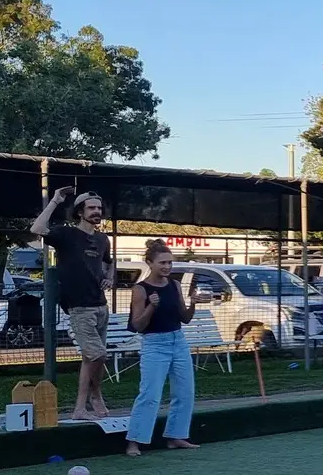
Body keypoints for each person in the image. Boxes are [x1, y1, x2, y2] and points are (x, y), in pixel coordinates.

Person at [30, 186, 113, 421]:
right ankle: (94, 396)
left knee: (91, 358)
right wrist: (55, 200)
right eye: (91, 208)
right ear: (79, 212)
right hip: (79, 307)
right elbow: (36, 228)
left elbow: (109, 262)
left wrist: (110, 276)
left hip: (101, 306)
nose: (97, 212)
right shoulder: (66, 235)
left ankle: (80, 409)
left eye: (99, 208)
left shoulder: (102, 239)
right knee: (98, 355)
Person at [124, 239, 200, 456]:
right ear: (150, 263)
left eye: (170, 263)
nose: (167, 267)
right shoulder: (140, 289)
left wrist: (193, 302)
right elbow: (138, 325)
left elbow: (184, 318)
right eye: (162, 263)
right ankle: (134, 441)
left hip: (178, 341)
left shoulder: (175, 285)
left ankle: (176, 437)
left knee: (185, 392)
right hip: (154, 344)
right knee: (149, 394)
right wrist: (151, 306)